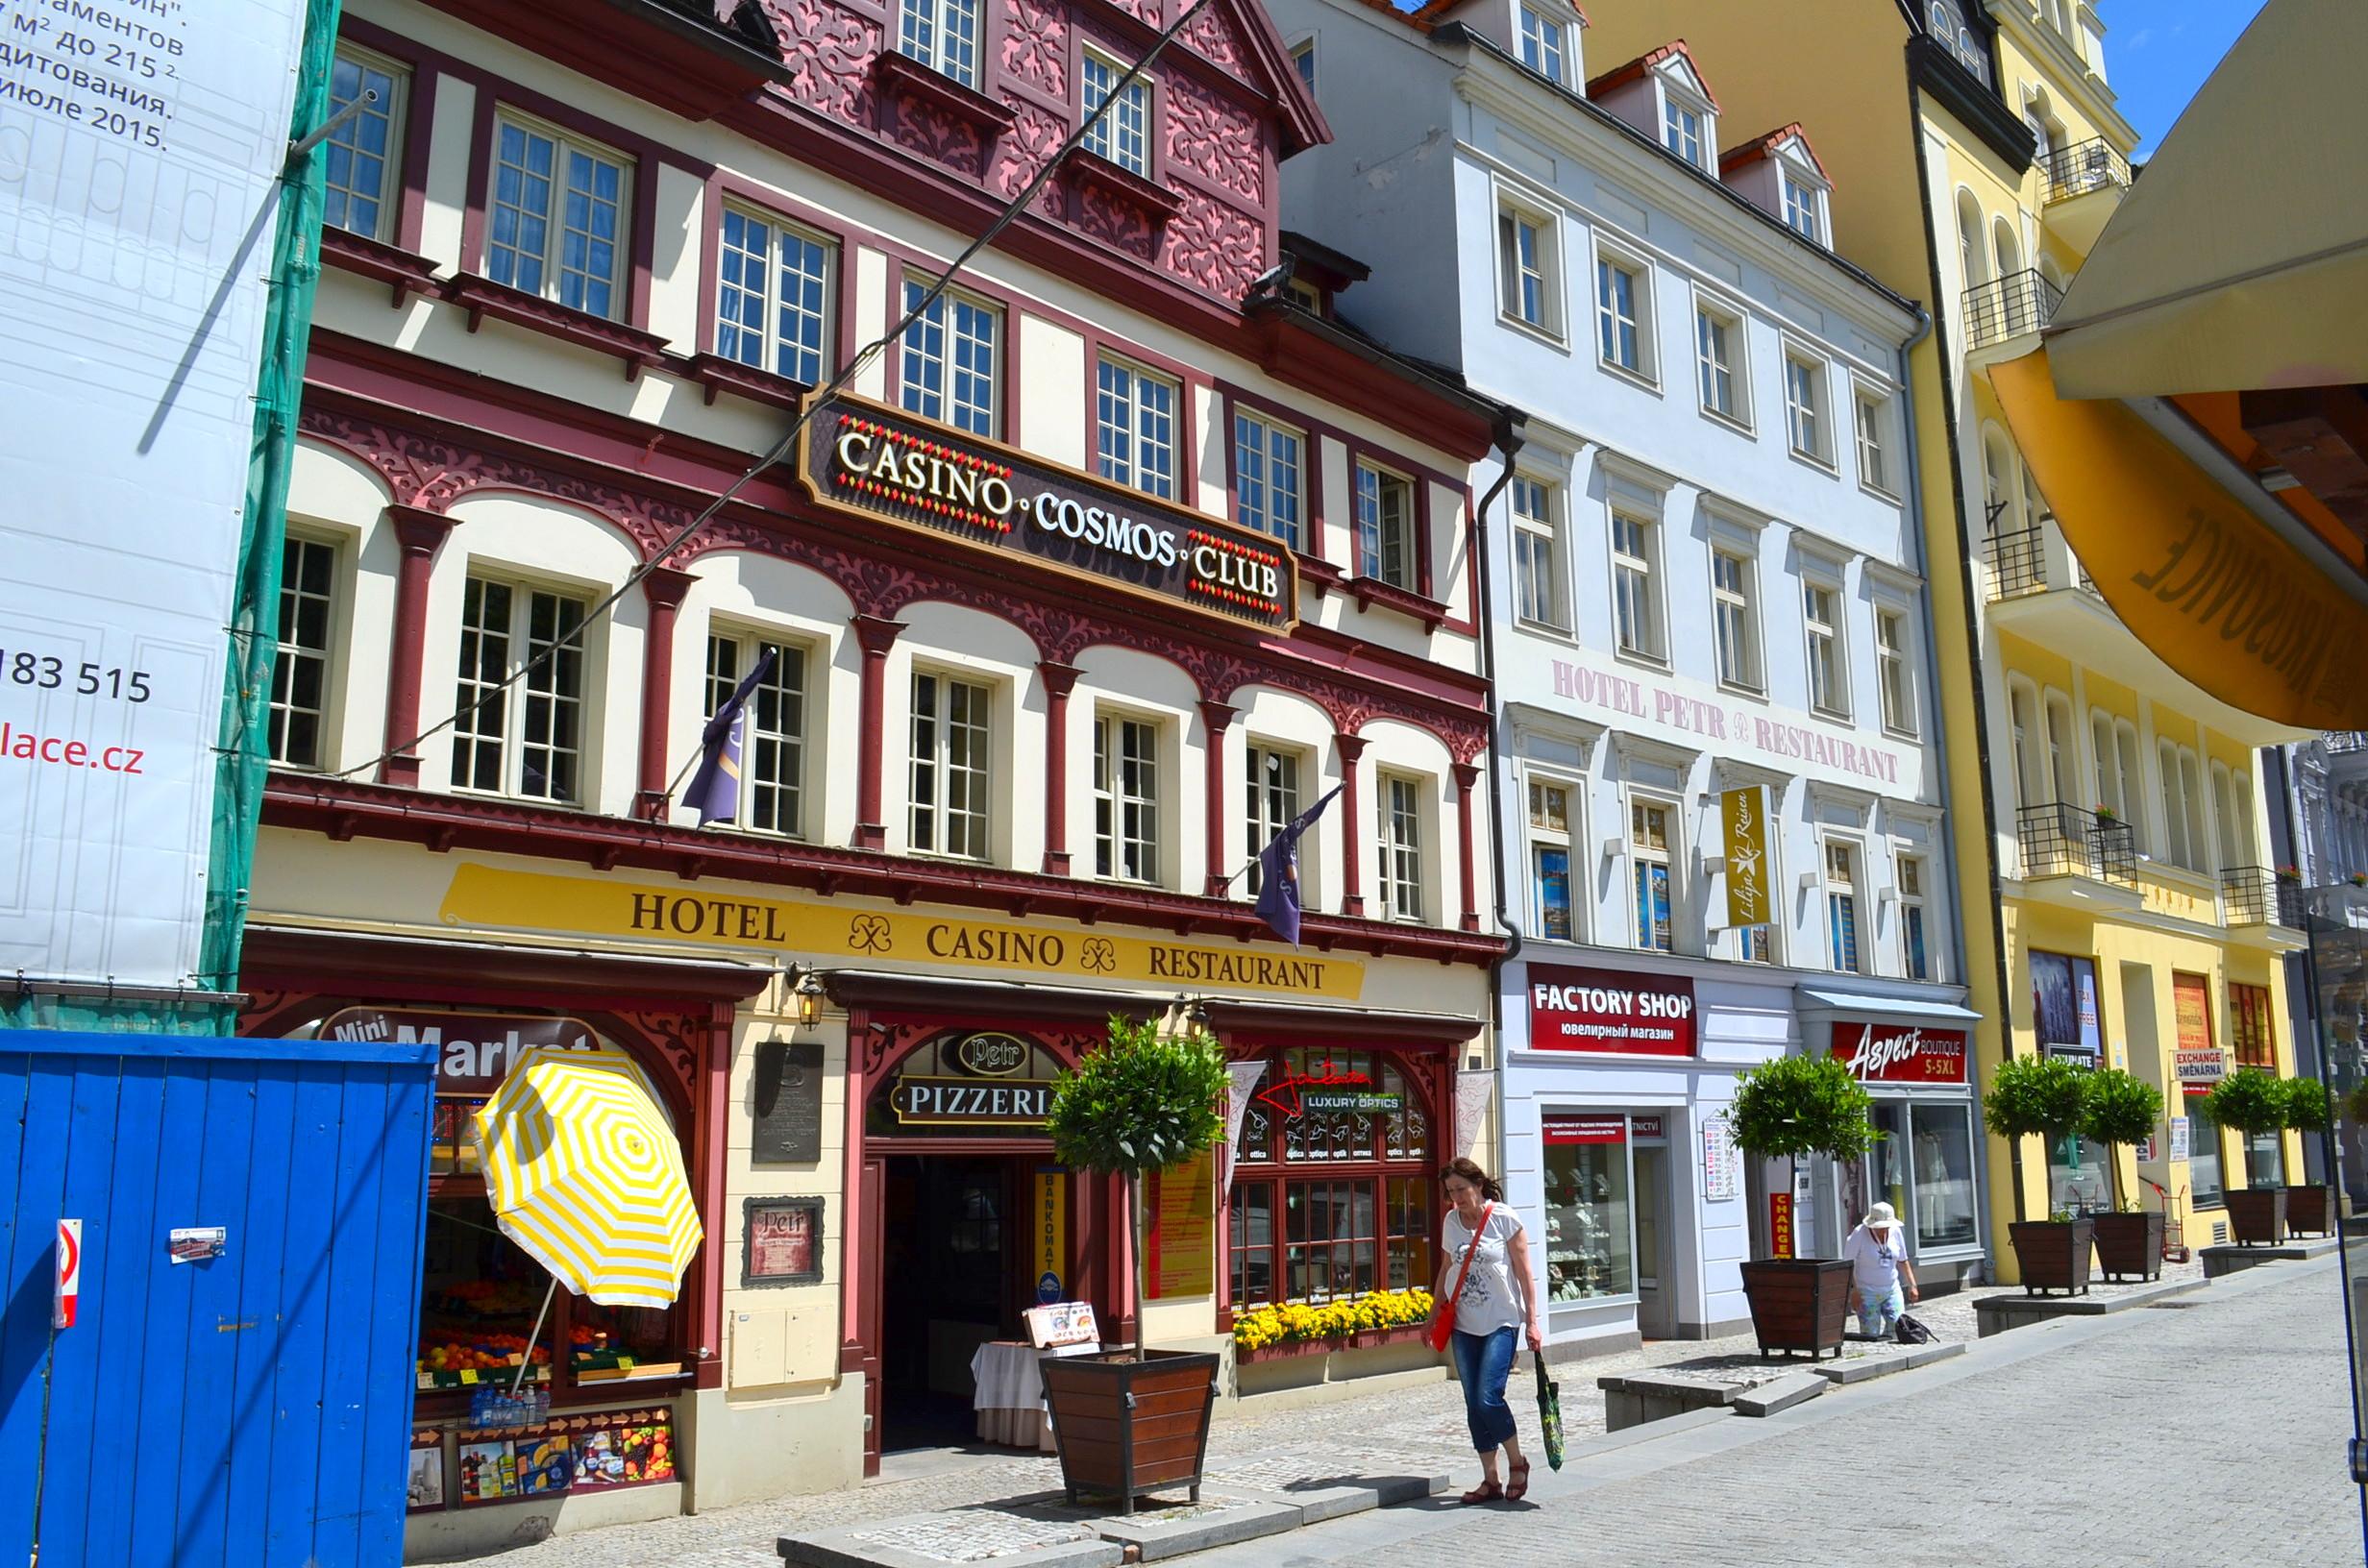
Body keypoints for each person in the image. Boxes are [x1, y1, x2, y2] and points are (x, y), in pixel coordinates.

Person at [1433, 1157, 1543, 1505]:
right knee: (1472, 1403)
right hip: (1463, 1324)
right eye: (1451, 1192)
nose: (1457, 1198)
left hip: (1501, 1321)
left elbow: (1525, 1274)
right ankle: (1490, 1481)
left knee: (1487, 1396)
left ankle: (1517, 1461)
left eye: (1462, 1190)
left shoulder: (1504, 1219)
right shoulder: (1452, 1221)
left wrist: (1533, 1321)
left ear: (1478, 1185)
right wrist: (1432, 1312)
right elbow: (1447, 1267)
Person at [1842, 1202, 1918, 1340]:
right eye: (1880, 1227)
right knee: (1871, 1335)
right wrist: (1854, 1290)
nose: (1884, 1230)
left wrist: (1912, 1285)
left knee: (1898, 1327)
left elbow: (1903, 1260)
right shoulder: (1859, 1234)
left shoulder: (1895, 1231)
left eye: (1886, 1227)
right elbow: (1847, 1265)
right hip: (1866, 1292)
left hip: (1891, 1289)